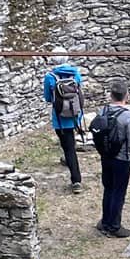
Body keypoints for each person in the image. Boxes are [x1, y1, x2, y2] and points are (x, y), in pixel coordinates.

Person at [89, 82, 130, 238]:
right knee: (118, 193)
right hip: (122, 160)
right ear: (127, 96)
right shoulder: (128, 116)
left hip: (105, 157)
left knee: (108, 189)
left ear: (111, 96)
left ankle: (105, 222)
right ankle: (114, 227)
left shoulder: (103, 110)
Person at [41, 55, 87, 193]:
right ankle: (67, 160)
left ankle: (76, 181)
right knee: (69, 144)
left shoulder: (50, 77)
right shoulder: (75, 74)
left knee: (69, 148)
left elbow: (48, 98)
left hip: (60, 119)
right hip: (75, 115)